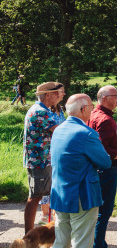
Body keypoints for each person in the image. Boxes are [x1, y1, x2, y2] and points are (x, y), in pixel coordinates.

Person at [49, 94, 112, 248]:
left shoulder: (59, 130)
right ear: (83, 109)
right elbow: (105, 162)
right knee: (82, 246)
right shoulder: (87, 133)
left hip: (60, 193)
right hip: (82, 196)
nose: (93, 109)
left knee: (61, 243)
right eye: (91, 106)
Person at [22, 82, 64, 233]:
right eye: (58, 93)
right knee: (36, 197)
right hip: (40, 161)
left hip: (44, 159)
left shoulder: (44, 110)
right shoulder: (41, 112)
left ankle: (47, 233)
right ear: (48, 95)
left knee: (41, 195)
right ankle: (29, 236)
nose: (61, 95)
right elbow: (60, 132)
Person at [88, 85, 117, 248]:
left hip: (95, 168)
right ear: (103, 98)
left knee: (95, 209)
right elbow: (101, 148)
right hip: (107, 168)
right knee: (104, 210)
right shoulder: (106, 120)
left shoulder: (92, 114)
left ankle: (94, 247)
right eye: (115, 96)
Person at [40, 89, 66, 225]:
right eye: (61, 92)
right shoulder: (45, 111)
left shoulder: (60, 110)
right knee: (46, 183)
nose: (64, 94)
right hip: (47, 151)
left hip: (58, 149)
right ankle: (45, 215)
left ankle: (54, 214)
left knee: (54, 181)